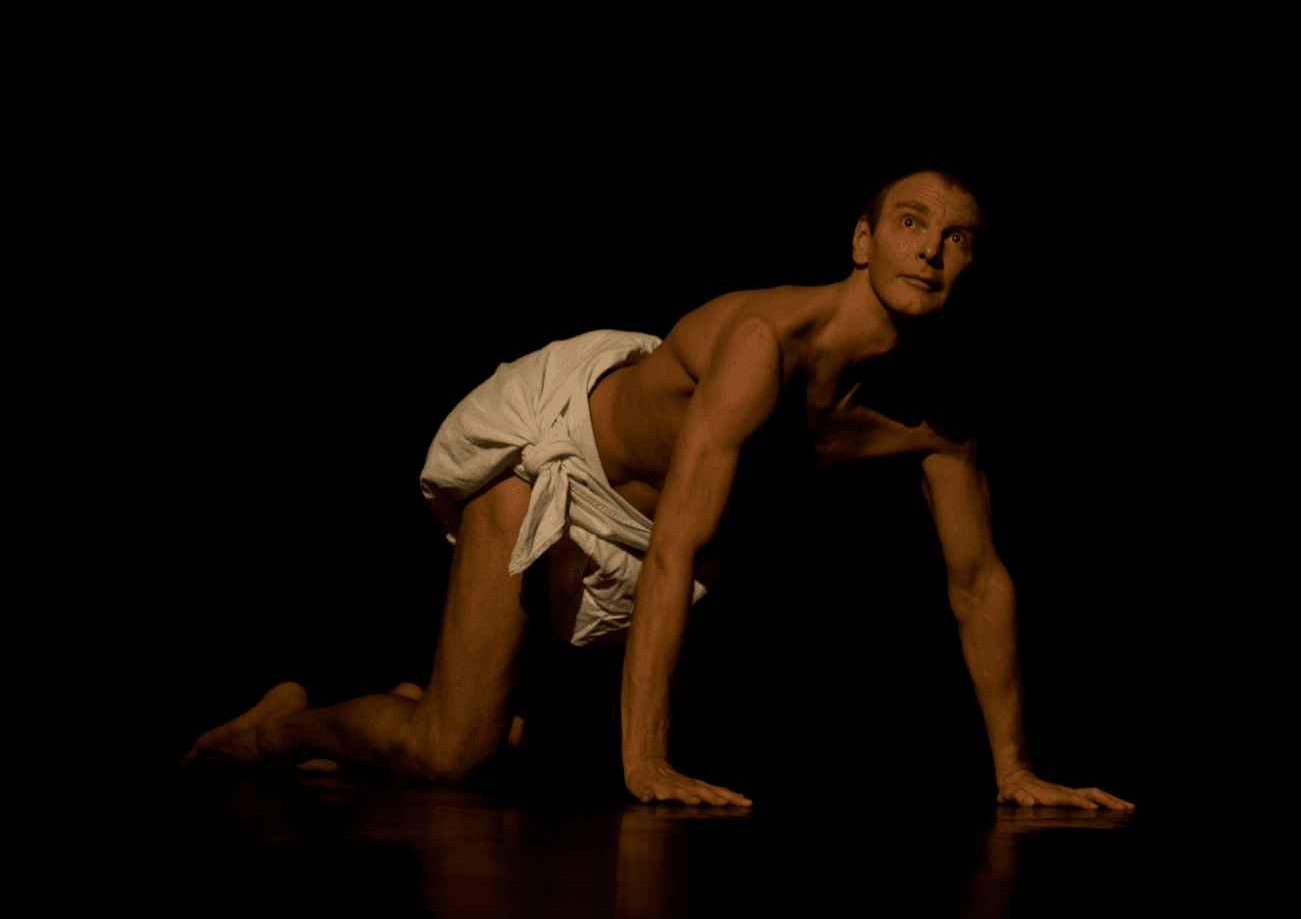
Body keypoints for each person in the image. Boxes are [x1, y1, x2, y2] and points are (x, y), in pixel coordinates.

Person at [182, 168, 1134, 811]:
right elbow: (678, 543)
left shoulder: (939, 420)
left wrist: (1016, 767)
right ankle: (269, 731)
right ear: (861, 238)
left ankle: (410, 698)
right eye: (911, 224)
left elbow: (978, 581)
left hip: (651, 534)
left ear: (974, 263)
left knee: (481, 728)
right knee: (453, 754)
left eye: (957, 238)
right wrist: (643, 761)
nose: (930, 251)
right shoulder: (764, 346)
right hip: (556, 464)